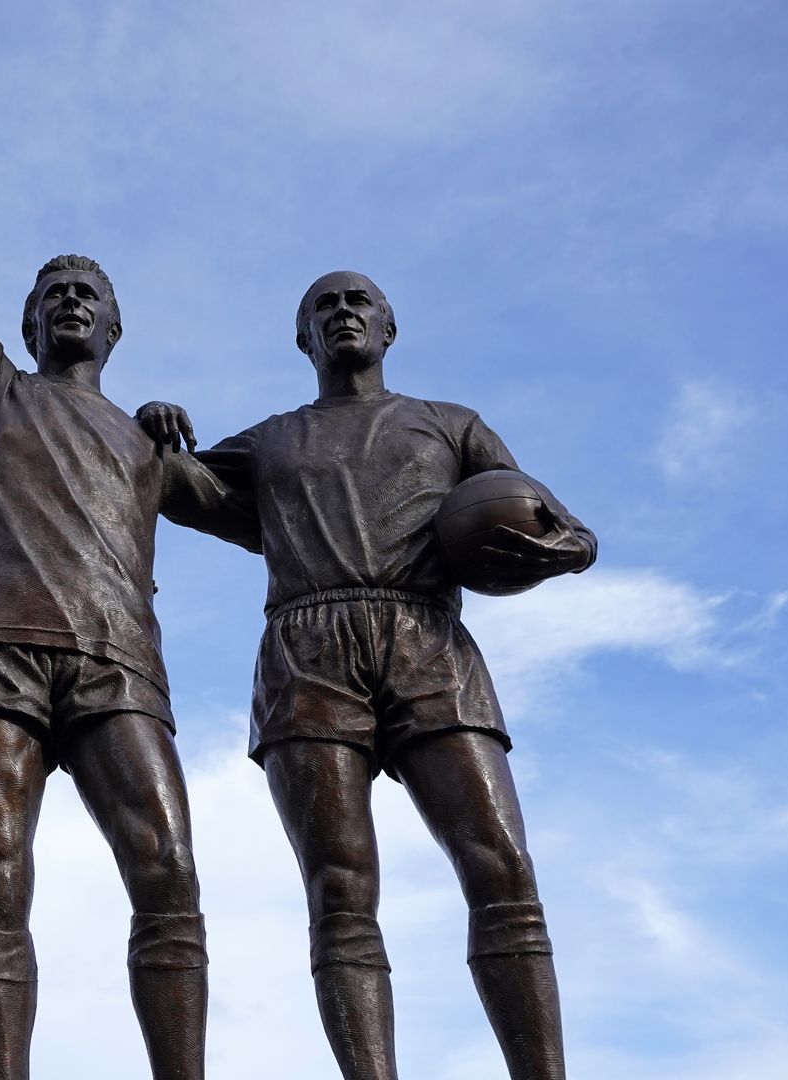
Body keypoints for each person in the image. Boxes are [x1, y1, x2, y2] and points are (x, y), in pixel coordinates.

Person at [136, 270, 596, 1079]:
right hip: (308, 653)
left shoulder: (451, 426)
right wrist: (150, 432)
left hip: (427, 641)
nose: (342, 312)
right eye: (324, 306)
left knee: (503, 866)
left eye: (358, 303)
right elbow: (178, 488)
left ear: (389, 327)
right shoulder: (273, 439)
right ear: (303, 339)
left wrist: (557, 551)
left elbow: (564, 528)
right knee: (341, 892)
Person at [0, 92, 235, 1080]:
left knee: (170, 875)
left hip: (114, 661)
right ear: (27, 323)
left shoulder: (145, 439)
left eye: (88, 293)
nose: (71, 303)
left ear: (117, 326)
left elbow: (264, 512)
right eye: (54, 296)